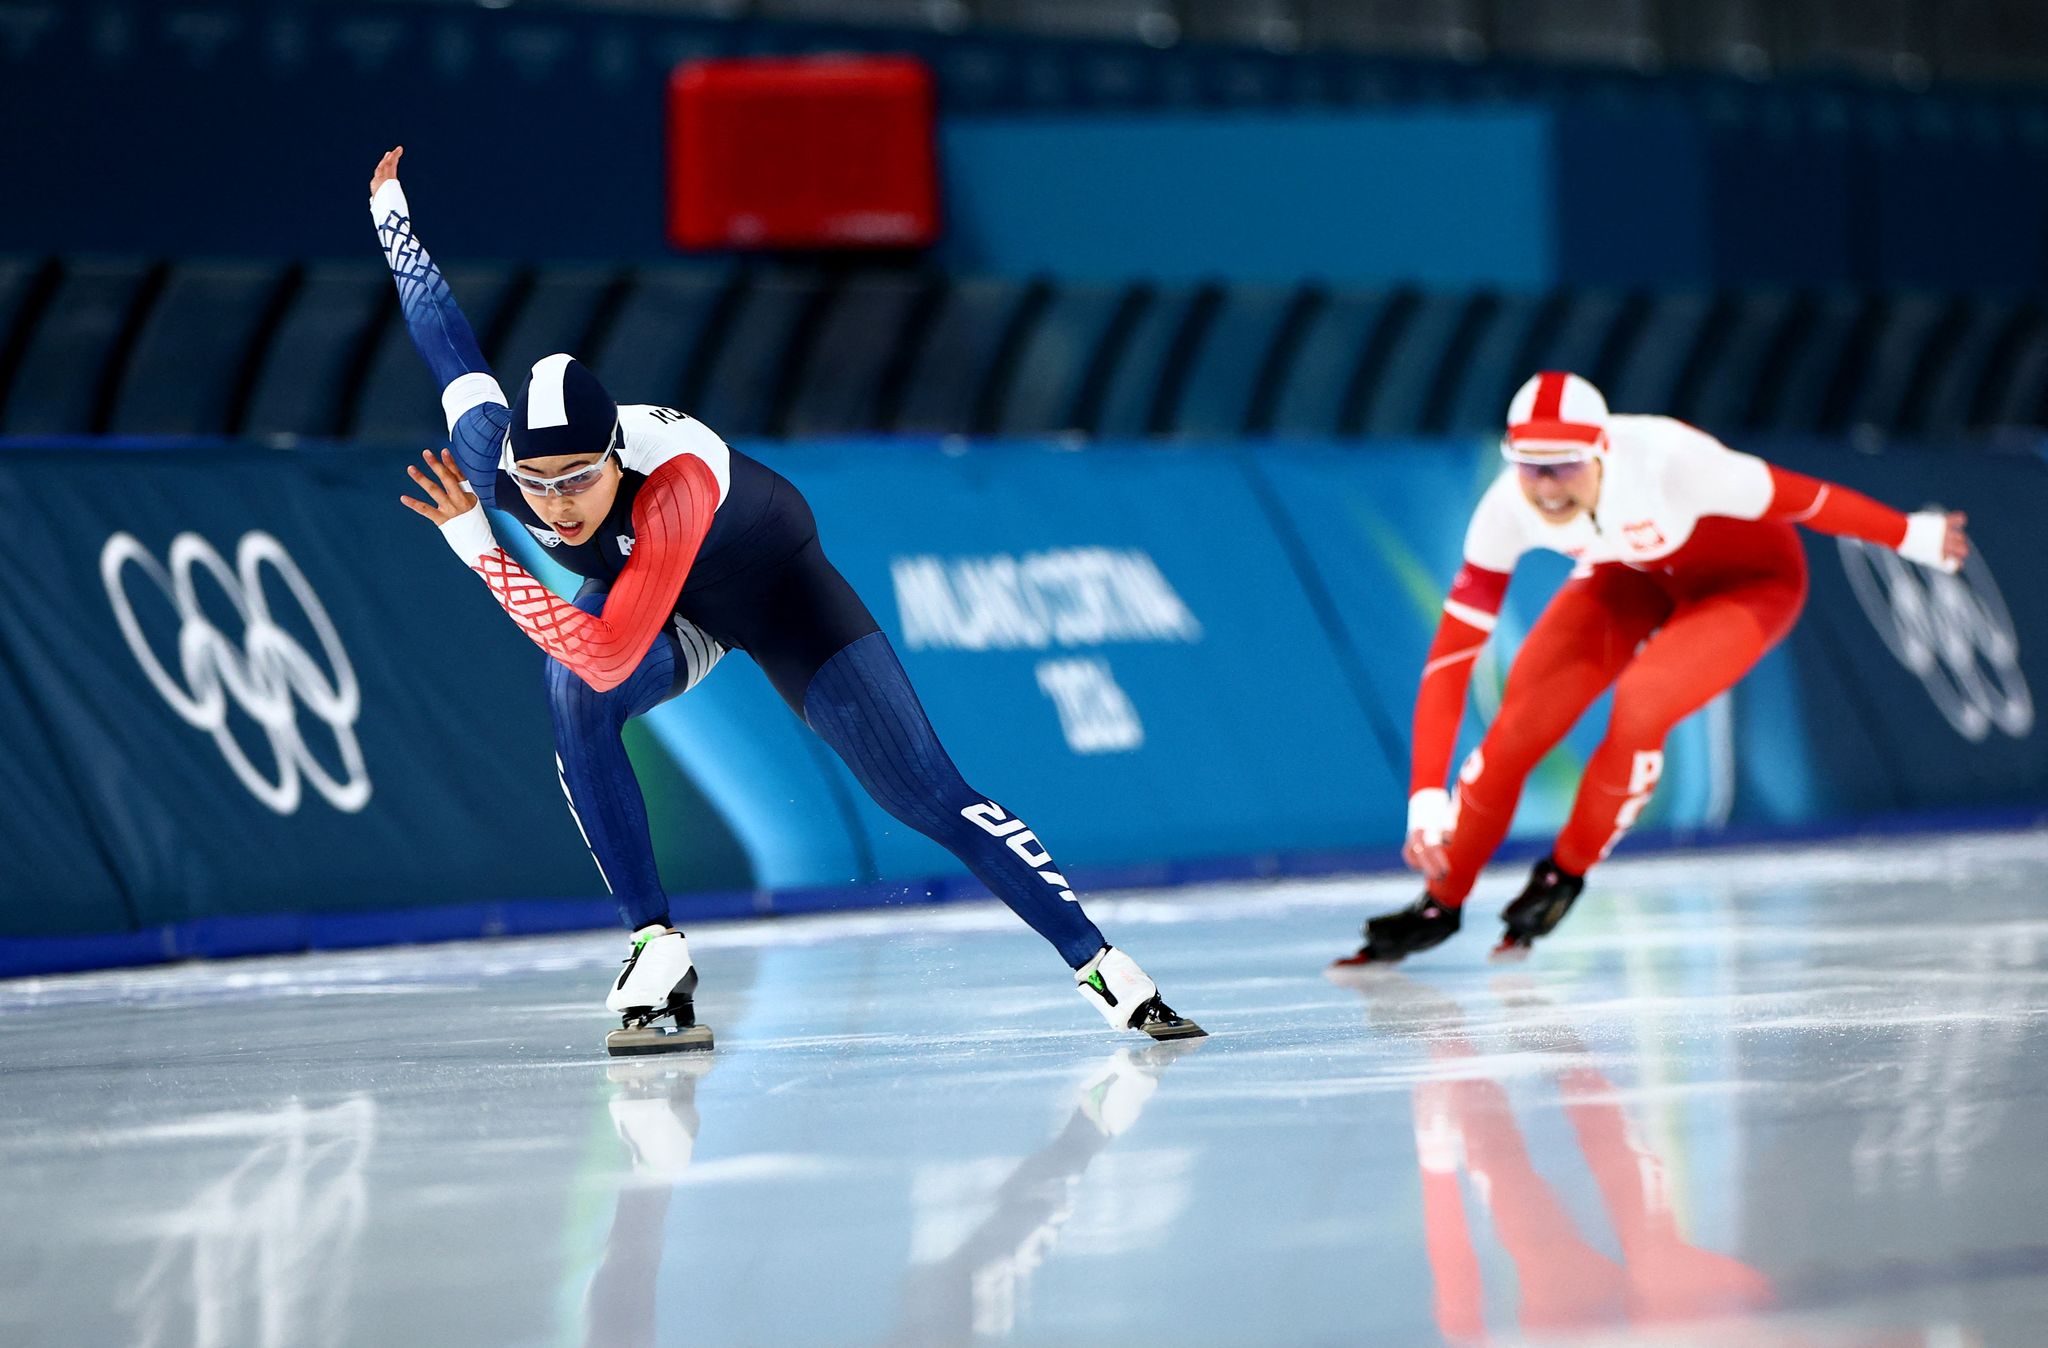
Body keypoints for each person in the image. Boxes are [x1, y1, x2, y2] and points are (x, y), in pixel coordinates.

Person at [369, 147, 1202, 1050]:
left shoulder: (676, 484)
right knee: (568, 693)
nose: (557, 505)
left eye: (578, 478)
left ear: (616, 457)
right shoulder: (493, 455)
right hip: (666, 605)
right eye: (537, 485)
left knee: (925, 794)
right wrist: (390, 214)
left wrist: (477, 549)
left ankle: (1103, 965)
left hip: (773, 592)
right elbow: (445, 337)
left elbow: (606, 651)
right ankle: (654, 946)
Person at [1339, 370, 1969, 965]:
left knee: (1643, 702)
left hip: (1751, 583)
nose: (1548, 487)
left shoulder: (1672, 466)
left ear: (1601, 451)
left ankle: (1563, 874)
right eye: (1531, 466)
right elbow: (1452, 657)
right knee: (1517, 727)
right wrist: (1426, 799)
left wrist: (1913, 535)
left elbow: (1807, 499)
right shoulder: (1505, 510)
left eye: (1565, 465)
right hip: (1633, 575)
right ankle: (1441, 902)